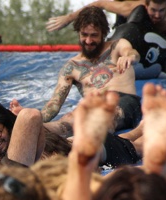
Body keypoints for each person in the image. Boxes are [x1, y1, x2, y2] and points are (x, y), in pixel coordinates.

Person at [46, 0, 166, 74]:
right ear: (146, 5)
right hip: (141, 36)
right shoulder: (133, 8)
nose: (157, 15)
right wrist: (69, 17)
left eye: (161, 10)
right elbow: (101, 3)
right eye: (153, 10)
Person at [42, 6, 141, 135]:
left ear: (104, 33)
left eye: (94, 35)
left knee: (105, 113)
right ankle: (34, 128)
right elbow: (53, 105)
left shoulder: (117, 46)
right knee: (68, 120)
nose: (88, 41)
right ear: (78, 32)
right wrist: (34, 118)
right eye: (84, 35)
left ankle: (94, 144)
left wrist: (130, 57)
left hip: (124, 103)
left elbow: (133, 53)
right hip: (91, 107)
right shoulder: (72, 66)